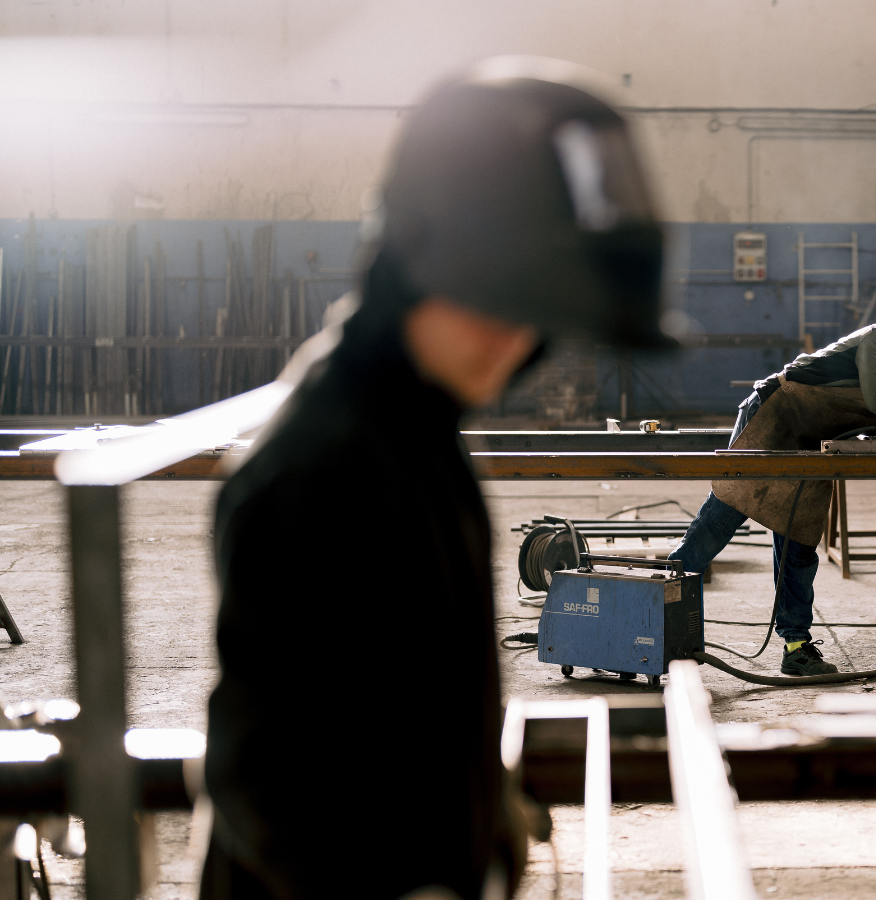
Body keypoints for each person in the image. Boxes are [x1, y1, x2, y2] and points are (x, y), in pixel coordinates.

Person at [200, 57, 671, 900]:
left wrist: (481, 810)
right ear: (414, 259)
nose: (512, 337)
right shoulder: (322, 465)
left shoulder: (413, 423)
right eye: (490, 299)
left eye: (534, 310)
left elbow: (407, 693)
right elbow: (259, 768)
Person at [669, 318, 876, 676]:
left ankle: (795, 649)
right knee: (720, 521)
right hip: (774, 419)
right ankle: (657, 611)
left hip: (808, 439)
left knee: (799, 546)